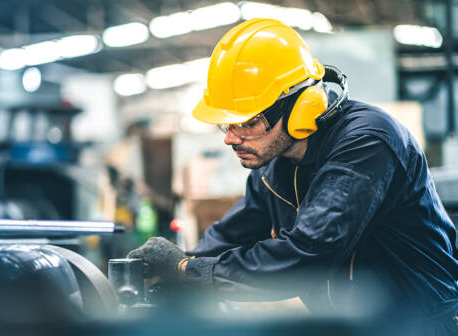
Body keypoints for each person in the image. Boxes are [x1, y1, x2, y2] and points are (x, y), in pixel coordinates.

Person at [128, 18, 458, 333]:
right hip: (354, 324)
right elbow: (230, 237)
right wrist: (175, 266)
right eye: (225, 124)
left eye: (247, 121)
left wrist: (189, 272)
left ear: (301, 107)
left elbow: (308, 254)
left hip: (421, 324)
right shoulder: (274, 164)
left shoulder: (367, 142)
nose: (230, 137)